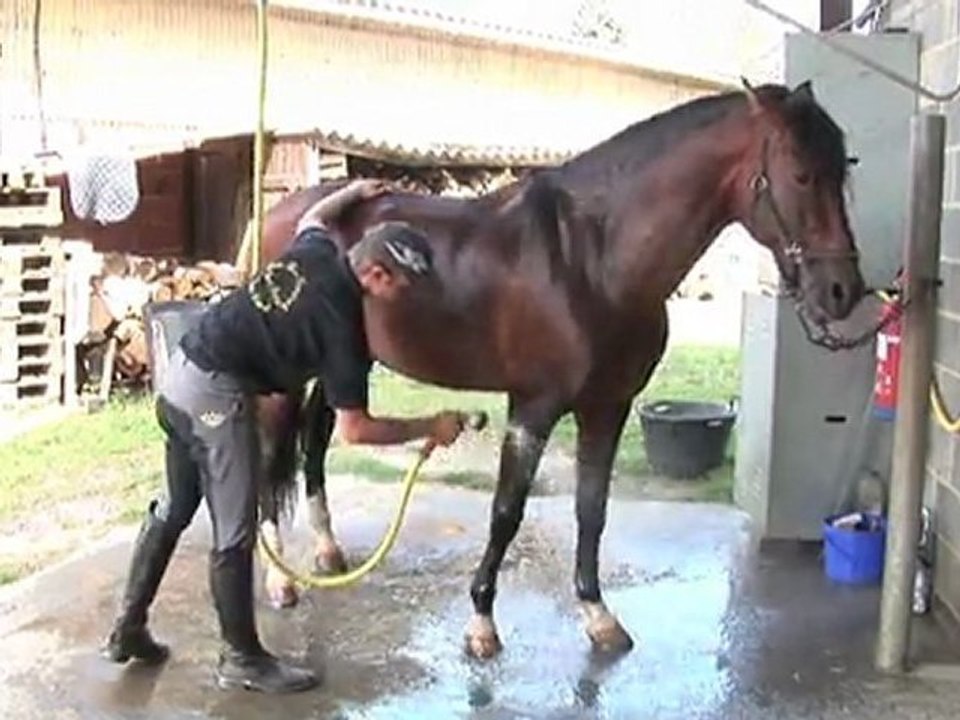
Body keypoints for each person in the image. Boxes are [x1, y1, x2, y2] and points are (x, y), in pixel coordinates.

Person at [101, 179, 468, 693]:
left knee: (177, 505)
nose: (402, 298)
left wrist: (355, 190)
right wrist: (428, 426)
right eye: (403, 286)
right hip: (213, 395)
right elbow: (354, 430)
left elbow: (314, 216)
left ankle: (129, 628)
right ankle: (240, 658)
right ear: (377, 273)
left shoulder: (318, 253)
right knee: (234, 529)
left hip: (181, 374)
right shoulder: (341, 325)